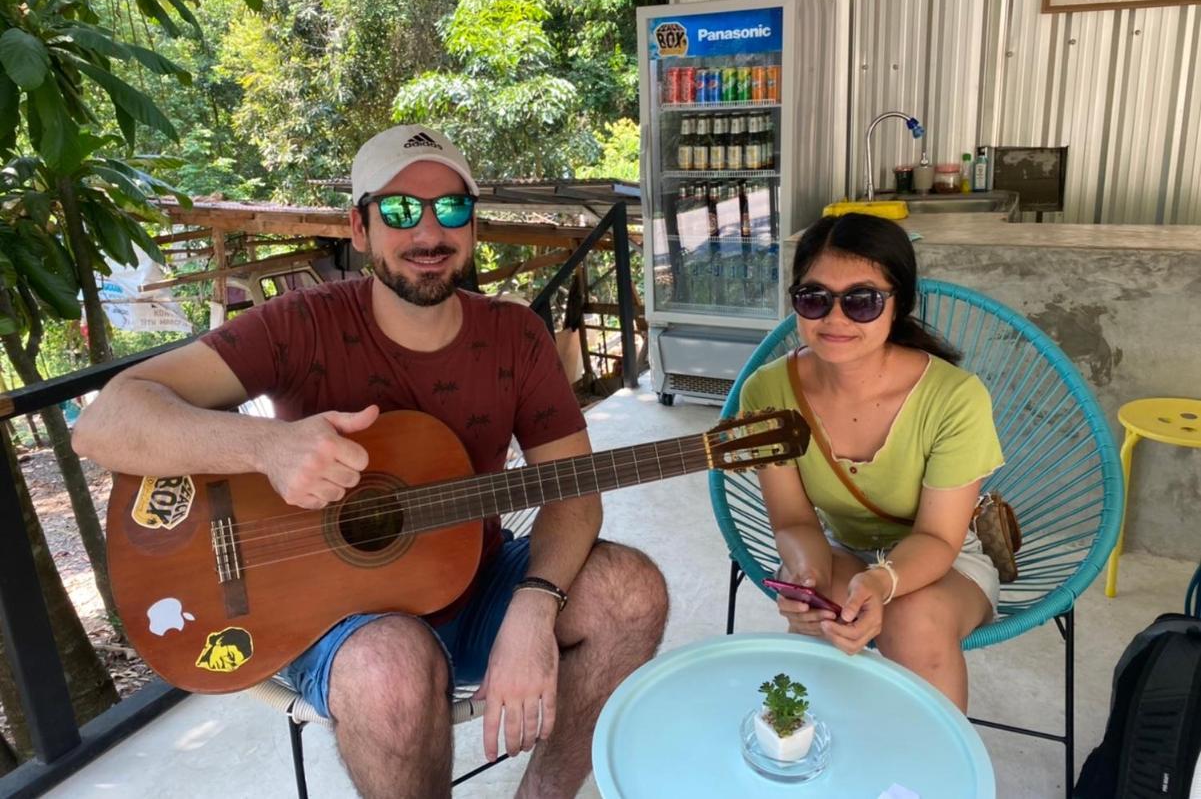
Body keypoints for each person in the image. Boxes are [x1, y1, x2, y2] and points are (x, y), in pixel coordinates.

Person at [72, 125, 669, 798]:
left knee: (631, 589)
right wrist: (265, 447)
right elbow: (105, 422)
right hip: (329, 614)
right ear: (358, 226)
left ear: (471, 227)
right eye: (399, 211)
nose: (428, 232)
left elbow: (574, 491)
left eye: (450, 209)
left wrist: (532, 609)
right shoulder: (299, 325)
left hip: (472, 582)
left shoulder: (515, 337)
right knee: (390, 665)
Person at [738, 212, 1003, 711]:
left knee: (913, 617)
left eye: (861, 301)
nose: (834, 319)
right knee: (829, 614)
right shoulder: (767, 391)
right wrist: (805, 577)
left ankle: (930, 783)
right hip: (839, 547)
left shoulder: (955, 397)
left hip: (943, 556)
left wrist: (883, 581)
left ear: (897, 304)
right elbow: (793, 520)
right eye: (814, 298)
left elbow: (939, 537)